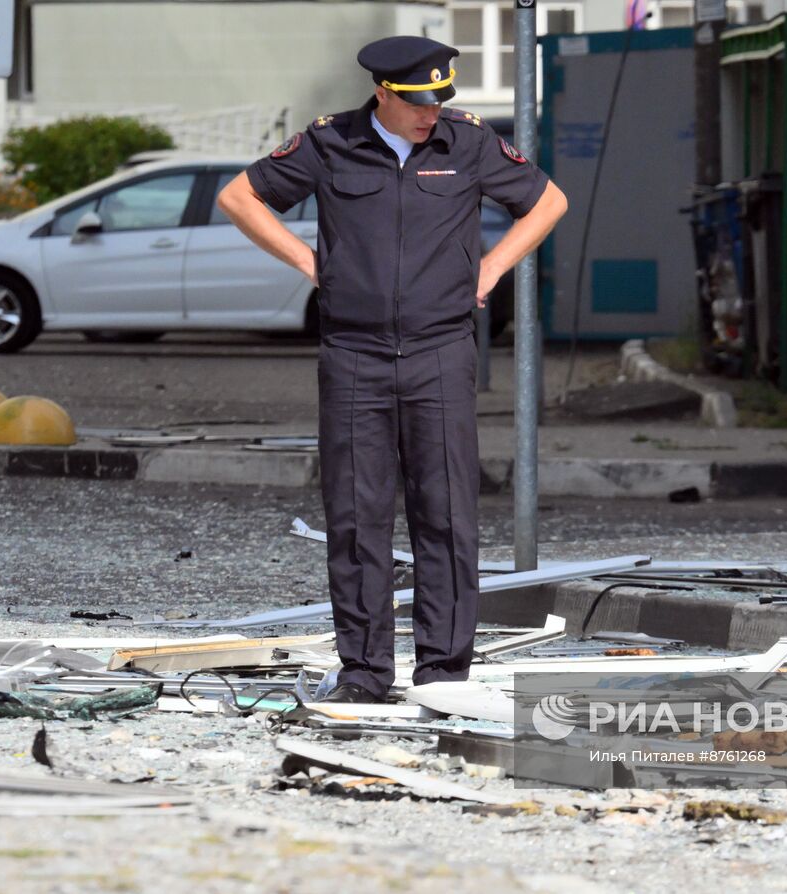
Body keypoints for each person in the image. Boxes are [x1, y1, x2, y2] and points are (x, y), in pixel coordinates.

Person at [219, 35, 567, 703]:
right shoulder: (330, 143)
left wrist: (492, 267)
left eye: (438, 101)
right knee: (357, 518)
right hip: (354, 354)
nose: (428, 114)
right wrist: (307, 262)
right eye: (416, 103)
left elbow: (548, 203)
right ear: (382, 93)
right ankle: (365, 674)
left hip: (440, 350)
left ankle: (443, 675)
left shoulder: (466, 143)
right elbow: (240, 198)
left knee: (446, 517)